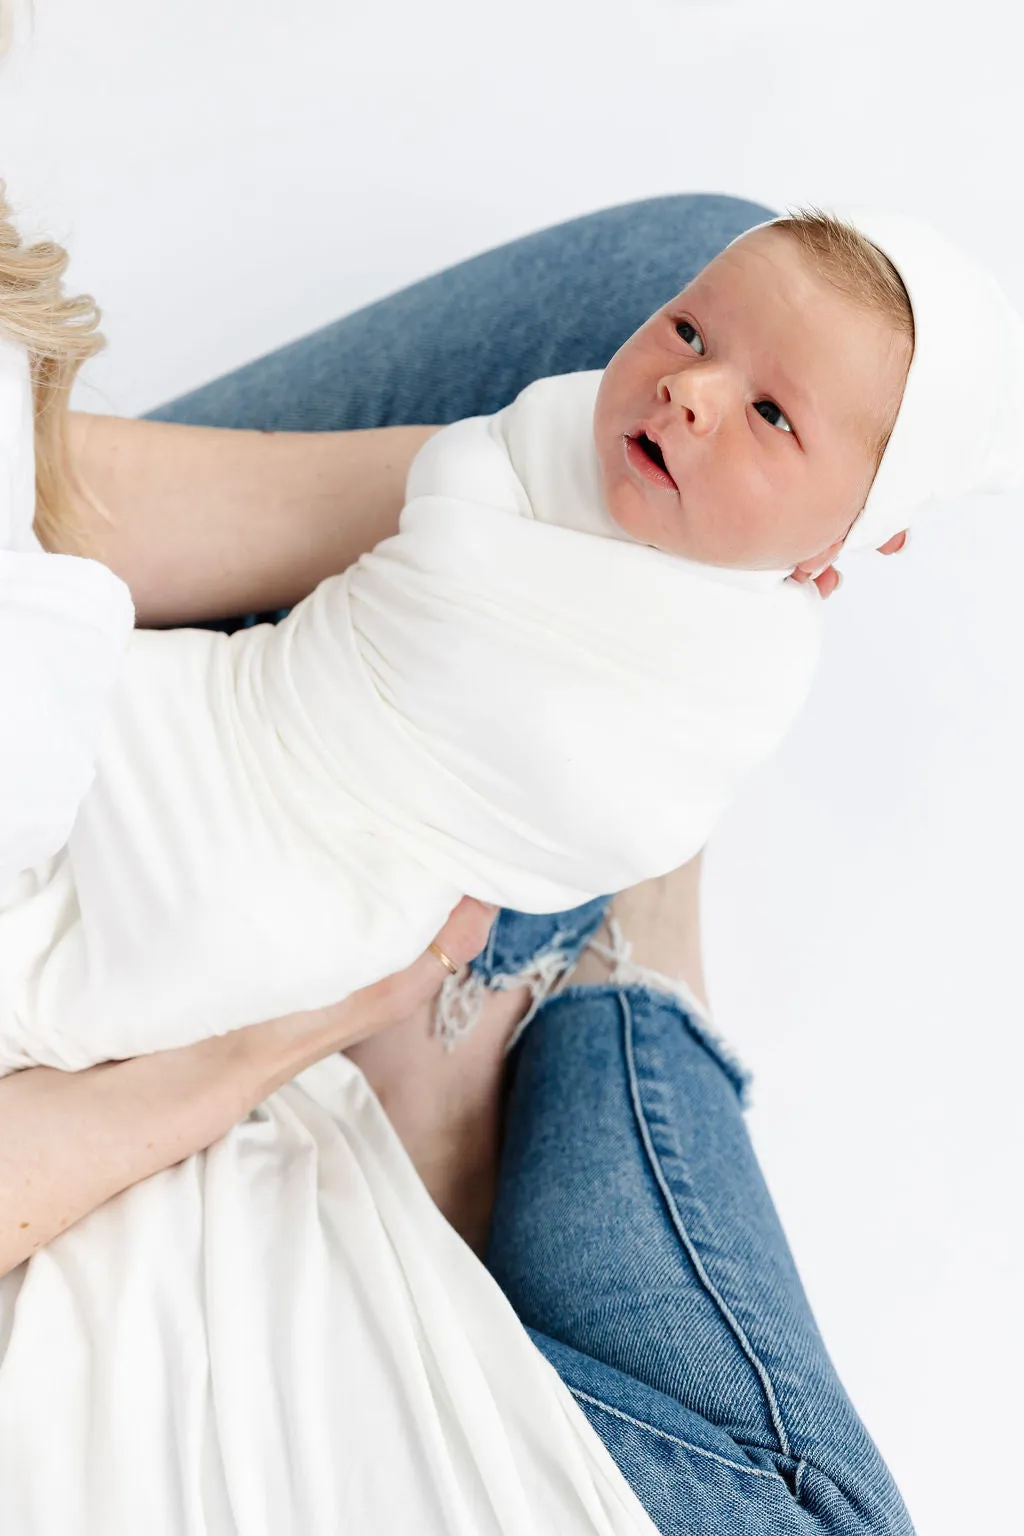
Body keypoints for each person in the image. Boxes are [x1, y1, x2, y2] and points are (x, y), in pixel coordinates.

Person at [0, 192, 917, 1533]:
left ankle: (572, 625)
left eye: (762, 407)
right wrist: (276, 1044)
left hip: (182, 710)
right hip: (241, 852)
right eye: (697, 351)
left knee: (717, 282)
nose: (700, 388)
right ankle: (619, 965)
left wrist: (539, 539)